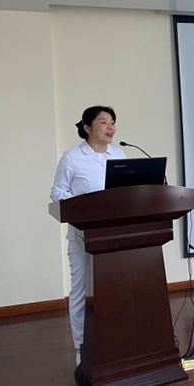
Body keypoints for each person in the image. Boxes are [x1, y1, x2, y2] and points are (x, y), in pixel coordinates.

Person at [50, 106, 125, 366]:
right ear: (86, 127)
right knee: (81, 289)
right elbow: (57, 193)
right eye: (103, 121)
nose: (110, 126)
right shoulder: (72, 158)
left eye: (112, 122)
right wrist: (84, 204)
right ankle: (81, 346)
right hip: (82, 235)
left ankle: (115, 340)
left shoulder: (119, 154)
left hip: (113, 234)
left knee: (114, 289)